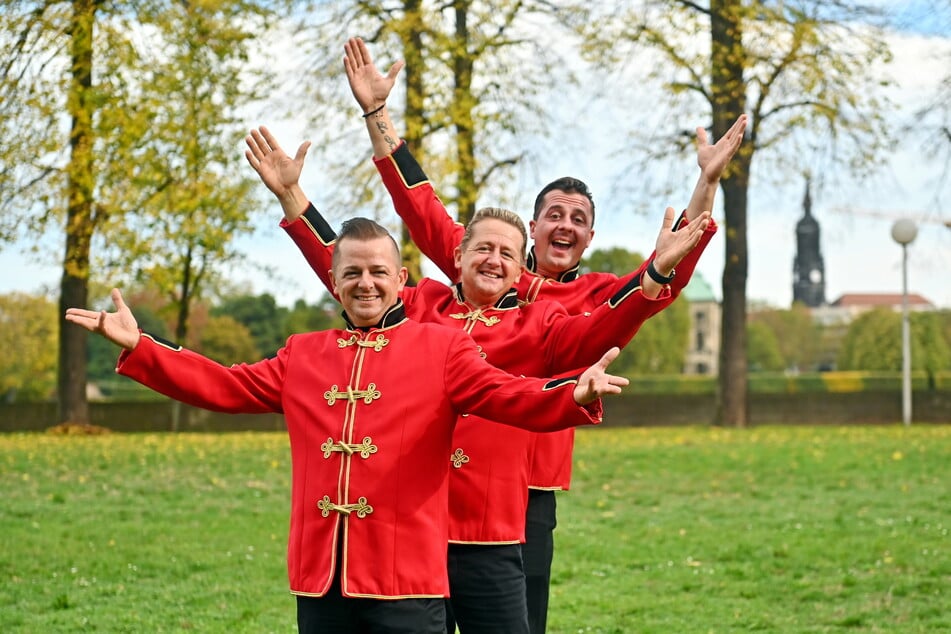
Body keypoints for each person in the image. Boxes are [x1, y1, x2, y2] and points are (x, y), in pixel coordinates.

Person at [337, 36, 748, 634]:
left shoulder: (588, 299)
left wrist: (705, 186)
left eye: (578, 219)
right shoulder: (490, 262)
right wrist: (377, 115)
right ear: (531, 226)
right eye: (554, 213)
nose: (565, 224)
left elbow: (664, 270)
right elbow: (418, 203)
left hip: (526, 490)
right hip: (435, 476)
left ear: (588, 237)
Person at [244, 125, 711, 633]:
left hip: (493, 524)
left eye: (506, 255)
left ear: (520, 271)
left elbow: (617, 316)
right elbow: (358, 257)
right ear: (457, 257)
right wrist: (302, 189)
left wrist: (664, 262)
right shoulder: (420, 304)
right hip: (409, 527)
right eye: (481, 249)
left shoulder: (543, 319)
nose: (493, 260)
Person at [64, 217, 628, 634]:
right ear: (334, 281)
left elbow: (508, 395)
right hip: (321, 580)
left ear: (400, 278)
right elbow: (223, 384)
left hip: (407, 582)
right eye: (352, 272)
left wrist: (570, 392)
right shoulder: (303, 354)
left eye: (378, 272)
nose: (365, 283)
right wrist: (143, 347)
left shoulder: (443, 347)